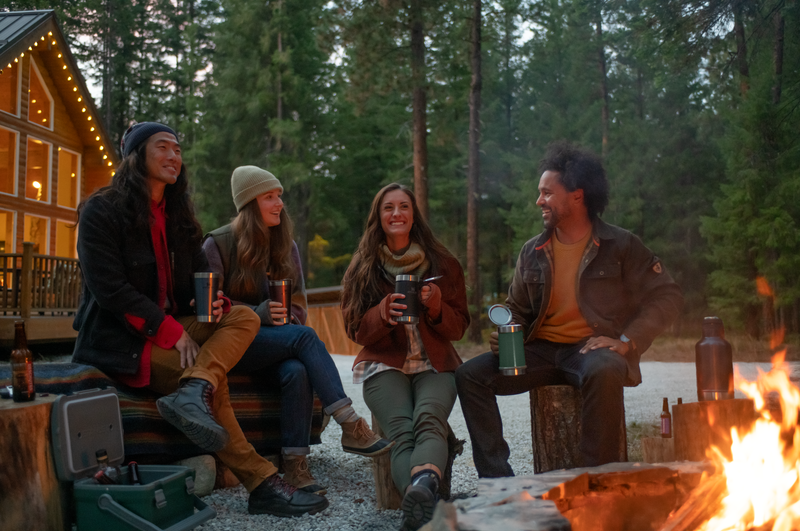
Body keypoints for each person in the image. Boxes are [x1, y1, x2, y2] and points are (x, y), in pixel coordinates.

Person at [72, 122, 328, 517]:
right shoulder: (101, 210)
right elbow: (110, 291)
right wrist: (173, 332)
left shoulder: (178, 217)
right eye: (163, 148)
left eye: (178, 149)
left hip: (175, 325)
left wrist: (215, 302)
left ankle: (195, 389)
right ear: (136, 155)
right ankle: (262, 483)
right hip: (124, 338)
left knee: (243, 316)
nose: (174, 156)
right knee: (215, 381)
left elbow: (196, 284)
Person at [456, 140, 684, 477]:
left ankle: (595, 479)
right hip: (540, 351)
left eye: (547, 193)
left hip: (590, 350)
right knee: (469, 375)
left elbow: (669, 296)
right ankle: (497, 480)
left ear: (576, 195)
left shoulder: (620, 245)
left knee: (606, 367)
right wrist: (508, 331)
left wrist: (627, 340)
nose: (539, 201)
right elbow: (516, 307)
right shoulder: (532, 250)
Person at [202, 165, 394, 495]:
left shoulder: (285, 246)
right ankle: (350, 422)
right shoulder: (217, 244)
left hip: (276, 344)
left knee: (296, 371)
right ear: (249, 204)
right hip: (230, 345)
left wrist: (288, 317)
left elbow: (300, 303)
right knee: (305, 338)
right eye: (269, 197)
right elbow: (207, 311)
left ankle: (295, 465)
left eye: (279, 196)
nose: (279, 204)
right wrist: (255, 313)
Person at [341, 183, 470, 531]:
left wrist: (438, 305)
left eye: (403, 207)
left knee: (429, 418)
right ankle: (423, 496)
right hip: (383, 364)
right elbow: (353, 328)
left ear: (413, 215)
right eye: (388, 208)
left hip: (436, 363)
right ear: (379, 217)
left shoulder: (443, 263)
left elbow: (459, 328)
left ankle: (420, 492)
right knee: (400, 430)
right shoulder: (363, 266)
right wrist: (382, 313)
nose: (396, 213)